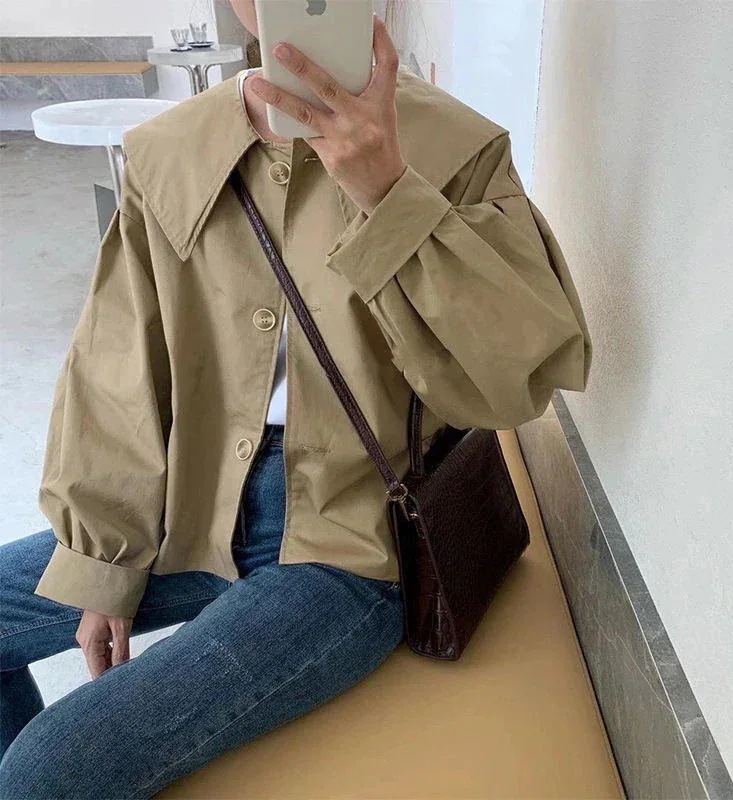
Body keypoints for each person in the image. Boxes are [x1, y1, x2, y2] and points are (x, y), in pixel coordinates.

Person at [0, 2, 592, 796]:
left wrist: (391, 194)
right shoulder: (172, 152)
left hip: (353, 541)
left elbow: (513, 382)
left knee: (47, 767)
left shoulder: (456, 148)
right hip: (191, 506)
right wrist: (102, 558)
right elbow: (120, 369)